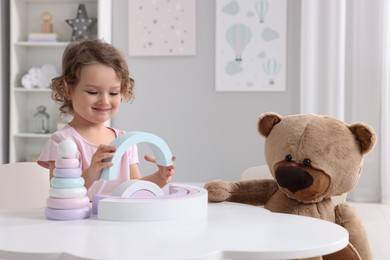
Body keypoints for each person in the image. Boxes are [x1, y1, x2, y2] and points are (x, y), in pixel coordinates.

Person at [37, 38, 176, 200]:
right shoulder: (63, 142)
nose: (104, 101)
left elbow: (135, 187)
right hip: (81, 223)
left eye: (113, 93)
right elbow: (61, 194)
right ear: (68, 89)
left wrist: (160, 176)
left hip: (119, 221)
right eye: (92, 92)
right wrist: (91, 173)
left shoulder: (124, 140)